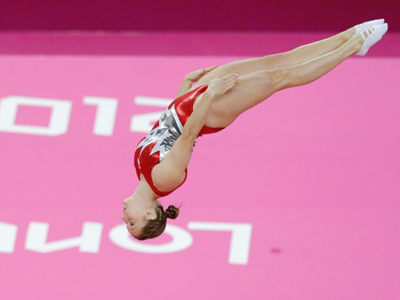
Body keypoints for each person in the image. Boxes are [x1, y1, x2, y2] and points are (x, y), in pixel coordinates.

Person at [122, 20, 388, 240]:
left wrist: (184, 89)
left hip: (193, 100)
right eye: (131, 224)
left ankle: (348, 35)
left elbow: (168, 128)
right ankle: (353, 46)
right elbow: (189, 134)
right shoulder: (164, 181)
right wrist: (210, 96)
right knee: (281, 77)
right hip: (209, 110)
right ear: (149, 214)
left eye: (127, 223)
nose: (124, 218)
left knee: (274, 62)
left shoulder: (140, 170)